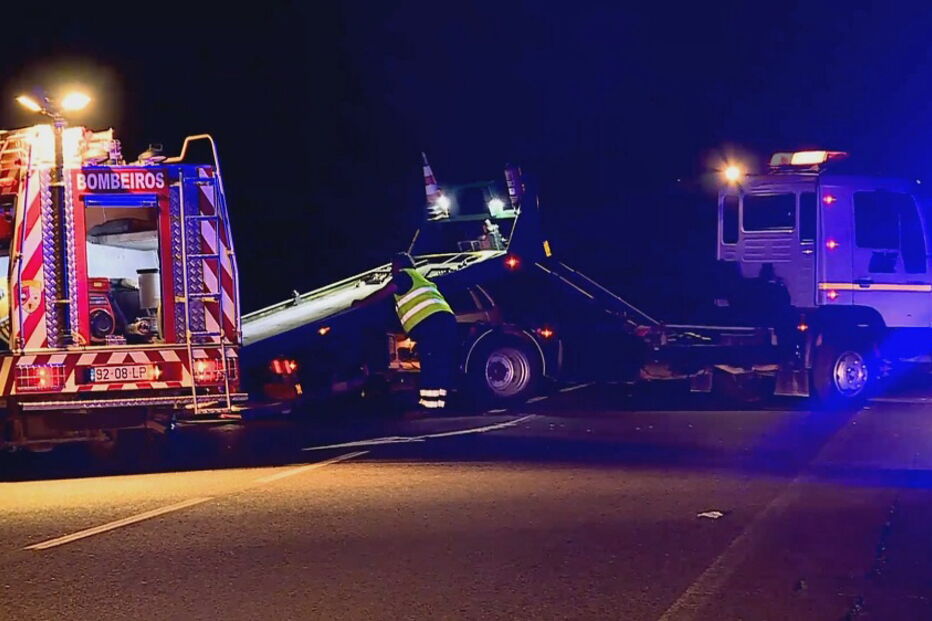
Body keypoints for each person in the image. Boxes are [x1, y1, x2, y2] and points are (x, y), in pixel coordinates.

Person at [352, 252, 457, 414]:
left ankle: (428, 406)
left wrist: (362, 303)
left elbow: (386, 291)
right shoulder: (420, 279)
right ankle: (438, 405)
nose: (392, 271)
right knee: (439, 363)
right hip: (445, 321)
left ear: (398, 265)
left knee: (430, 363)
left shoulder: (403, 276)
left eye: (392, 266)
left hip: (432, 324)